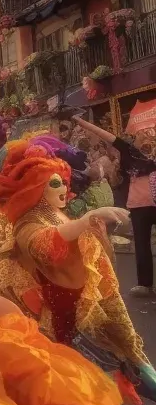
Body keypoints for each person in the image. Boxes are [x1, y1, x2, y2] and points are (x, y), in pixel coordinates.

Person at [0, 138, 152, 399]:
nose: (64, 187)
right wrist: (84, 222)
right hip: (59, 325)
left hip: (87, 308)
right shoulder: (27, 223)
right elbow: (43, 244)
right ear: (36, 188)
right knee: (82, 393)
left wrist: (89, 226)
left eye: (63, 180)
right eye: (55, 182)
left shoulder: (55, 212)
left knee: (129, 357)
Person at [71, 113, 156, 296]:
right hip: (138, 206)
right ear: (135, 137)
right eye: (142, 132)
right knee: (141, 245)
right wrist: (80, 121)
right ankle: (145, 284)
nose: (147, 135)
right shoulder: (128, 150)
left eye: (150, 132)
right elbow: (104, 134)